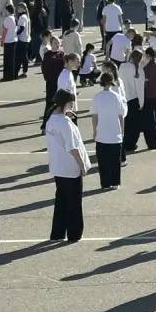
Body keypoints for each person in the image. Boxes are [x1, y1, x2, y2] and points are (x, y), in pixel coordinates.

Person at [46, 90, 90, 243]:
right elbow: (72, 147)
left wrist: (68, 117)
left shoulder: (51, 119)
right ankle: (74, 233)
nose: (72, 106)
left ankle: (57, 233)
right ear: (65, 103)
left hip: (58, 167)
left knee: (61, 201)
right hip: (70, 168)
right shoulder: (64, 123)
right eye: (71, 103)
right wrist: (82, 165)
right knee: (74, 203)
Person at [91, 71, 127, 190]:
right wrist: (122, 131)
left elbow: (94, 116)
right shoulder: (117, 96)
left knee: (103, 161)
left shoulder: (97, 97)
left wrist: (94, 131)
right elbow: (121, 116)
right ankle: (115, 182)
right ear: (111, 82)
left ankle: (105, 184)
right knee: (115, 161)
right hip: (115, 134)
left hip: (102, 135)